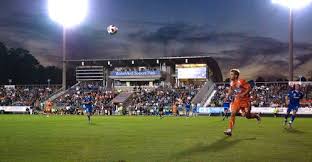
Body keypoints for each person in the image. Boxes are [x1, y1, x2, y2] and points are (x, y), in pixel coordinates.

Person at [224, 69, 261, 136]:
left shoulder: (241, 81)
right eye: (230, 74)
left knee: (247, 116)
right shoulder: (231, 82)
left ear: (236, 75)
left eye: (232, 74)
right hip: (237, 100)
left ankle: (256, 115)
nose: (230, 76)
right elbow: (231, 89)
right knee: (233, 113)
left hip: (245, 101)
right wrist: (227, 96)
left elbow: (249, 88)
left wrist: (243, 94)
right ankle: (229, 130)